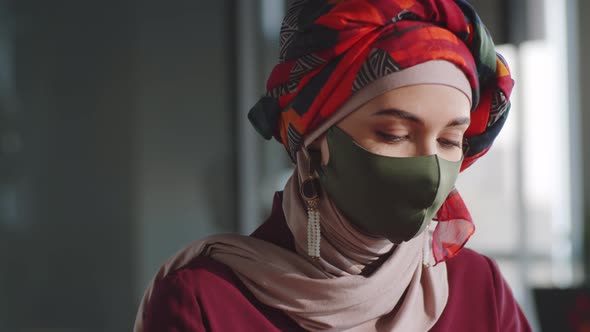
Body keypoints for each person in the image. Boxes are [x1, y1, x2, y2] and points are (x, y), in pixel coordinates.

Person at [134, 0, 532, 331]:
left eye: (449, 140)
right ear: (314, 142)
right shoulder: (207, 301)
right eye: (394, 134)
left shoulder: (480, 290)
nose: (430, 168)